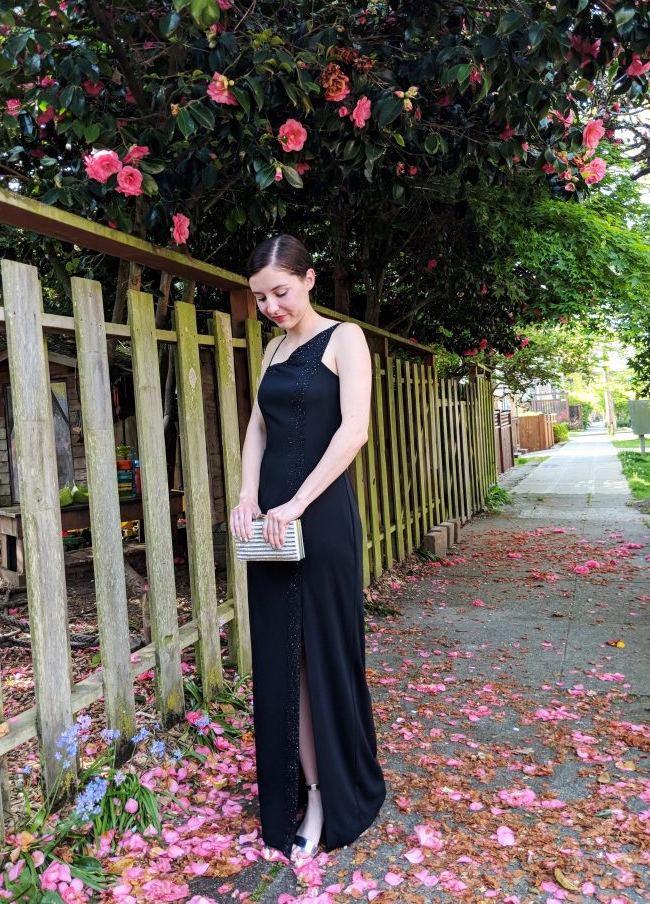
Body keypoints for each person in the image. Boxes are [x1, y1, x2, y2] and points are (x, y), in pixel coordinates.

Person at [229, 234, 386, 864]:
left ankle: (328, 798)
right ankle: (301, 788)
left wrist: (298, 501)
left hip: (319, 522)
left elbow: (355, 430)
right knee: (279, 660)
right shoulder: (271, 349)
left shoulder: (345, 338)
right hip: (269, 525)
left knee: (317, 658)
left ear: (309, 279)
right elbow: (257, 428)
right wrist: (247, 495)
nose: (271, 306)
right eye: (260, 297)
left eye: (280, 292)